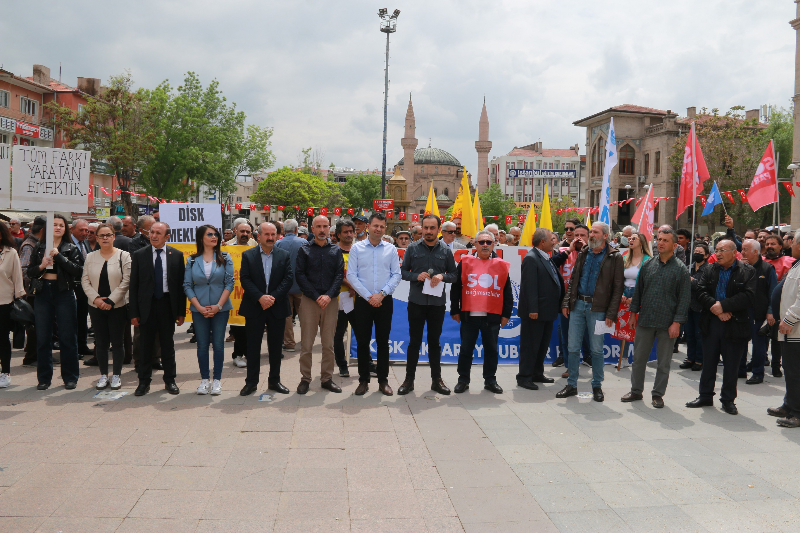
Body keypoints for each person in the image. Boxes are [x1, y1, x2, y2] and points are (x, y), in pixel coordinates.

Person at [686, 239, 756, 415]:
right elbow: (700, 290)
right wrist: (716, 309)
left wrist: (724, 306)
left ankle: (728, 399)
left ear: (734, 252)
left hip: (735, 323)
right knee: (709, 361)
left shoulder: (747, 271)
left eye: (722, 250)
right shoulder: (710, 269)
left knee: (731, 364)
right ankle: (705, 395)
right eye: (716, 250)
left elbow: (748, 296)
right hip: (711, 321)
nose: (718, 253)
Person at [622, 228, 690, 408]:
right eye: (659, 239)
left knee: (663, 363)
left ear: (675, 245)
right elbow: (638, 292)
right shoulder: (648, 264)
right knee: (638, 359)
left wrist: (677, 322)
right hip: (645, 320)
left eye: (665, 240)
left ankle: (658, 394)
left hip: (667, 324)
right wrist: (633, 313)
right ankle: (636, 391)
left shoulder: (681, 270)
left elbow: (684, 300)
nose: (660, 243)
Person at [558, 221, 624, 402]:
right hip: (578, 305)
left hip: (599, 309)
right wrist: (566, 302)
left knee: (596, 350)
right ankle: (571, 384)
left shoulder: (614, 256)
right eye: (591, 232)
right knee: (572, 347)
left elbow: (618, 288)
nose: (591, 235)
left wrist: (611, 313)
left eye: (595, 232)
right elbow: (573, 280)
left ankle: (597, 386)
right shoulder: (584, 253)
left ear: (605, 235)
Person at [398, 214, 457, 396]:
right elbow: (402, 272)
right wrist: (416, 276)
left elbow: (454, 275)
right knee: (414, 342)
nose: (429, 231)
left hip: (437, 304)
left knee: (434, 342)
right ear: (421, 228)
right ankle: (409, 380)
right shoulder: (412, 248)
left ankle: (436, 380)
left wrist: (442, 276)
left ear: (438, 229)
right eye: (426, 228)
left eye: (433, 228)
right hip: (416, 302)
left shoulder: (446, 250)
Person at [129, 222, 186, 396]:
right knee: (145, 346)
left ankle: (170, 380)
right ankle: (143, 382)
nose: (153, 236)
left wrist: (181, 312)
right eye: (152, 232)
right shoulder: (140, 255)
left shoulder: (176, 255)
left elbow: (180, 286)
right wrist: (134, 313)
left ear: (167, 236)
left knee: (167, 345)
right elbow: (134, 286)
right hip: (146, 306)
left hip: (167, 305)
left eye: (158, 233)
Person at [346, 212, 401, 396]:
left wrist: (382, 294)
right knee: (362, 342)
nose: (378, 229)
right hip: (363, 301)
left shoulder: (391, 249)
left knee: (383, 342)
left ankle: (383, 381)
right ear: (368, 226)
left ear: (385, 228)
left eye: (382, 226)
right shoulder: (357, 248)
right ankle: (363, 380)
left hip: (385, 301)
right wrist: (370, 296)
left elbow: (396, 275)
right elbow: (351, 275)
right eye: (375, 225)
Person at [451, 230, 512, 393]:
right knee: (465, 349)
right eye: (482, 242)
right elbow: (455, 288)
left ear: (493, 244)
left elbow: (507, 291)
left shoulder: (501, 265)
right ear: (475, 244)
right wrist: (454, 309)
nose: (485, 245)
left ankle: (490, 380)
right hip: (469, 316)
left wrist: (506, 314)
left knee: (491, 349)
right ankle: (463, 380)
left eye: (488, 242)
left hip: (491, 317)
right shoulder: (465, 262)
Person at [27, 215, 84, 390]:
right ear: (48, 228)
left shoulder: (71, 247)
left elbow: (78, 271)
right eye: (55, 225)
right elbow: (30, 272)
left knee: (68, 337)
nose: (58, 227)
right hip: (43, 292)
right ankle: (44, 378)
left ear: (66, 229)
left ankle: (70, 377)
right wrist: (42, 266)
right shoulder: (39, 247)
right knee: (43, 337)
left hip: (64, 293)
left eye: (61, 225)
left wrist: (59, 257)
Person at [239, 222, 293, 396]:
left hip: (277, 307)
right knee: (253, 347)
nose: (270, 238)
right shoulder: (248, 255)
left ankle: (274, 381)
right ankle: (251, 383)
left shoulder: (284, 255)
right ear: (259, 236)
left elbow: (288, 279)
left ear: (277, 235)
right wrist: (260, 297)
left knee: (276, 347)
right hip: (255, 306)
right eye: (267, 234)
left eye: (273, 234)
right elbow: (245, 279)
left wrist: (273, 298)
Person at [294, 215, 344, 394]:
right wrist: (316, 296)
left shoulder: (336, 250)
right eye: (318, 226)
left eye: (325, 226)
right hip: (309, 300)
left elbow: (339, 275)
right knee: (306, 344)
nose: (322, 230)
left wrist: (328, 296)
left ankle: (326, 378)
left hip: (330, 302)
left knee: (328, 344)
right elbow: (299, 275)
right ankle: (305, 378)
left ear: (329, 228)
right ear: (312, 229)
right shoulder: (304, 249)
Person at [184, 224, 234, 396]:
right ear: (201, 238)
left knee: (219, 345)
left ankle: (217, 380)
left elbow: (229, 283)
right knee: (202, 345)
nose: (214, 237)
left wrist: (218, 306)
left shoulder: (225, 257)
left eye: (216, 234)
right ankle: (205, 379)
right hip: (199, 310)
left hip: (220, 308)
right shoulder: (192, 260)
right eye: (210, 234)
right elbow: (187, 285)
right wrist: (198, 307)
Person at [81, 223, 132, 391]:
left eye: (108, 235)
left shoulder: (123, 256)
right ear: (96, 238)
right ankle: (103, 375)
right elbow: (85, 281)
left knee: (118, 342)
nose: (105, 238)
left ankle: (116, 375)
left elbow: (126, 281)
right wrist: (96, 300)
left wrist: (110, 301)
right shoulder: (90, 257)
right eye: (101, 235)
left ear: (113, 236)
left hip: (117, 306)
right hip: (96, 306)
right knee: (101, 342)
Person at [517, 228, 564, 390]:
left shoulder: (545, 257)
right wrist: (533, 309)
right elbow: (529, 287)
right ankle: (524, 376)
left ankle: (537, 373)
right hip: (535, 312)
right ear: (542, 242)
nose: (555, 241)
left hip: (547, 311)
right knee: (530, 345)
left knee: (542, 345)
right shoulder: (531, 258)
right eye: (552, 239)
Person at [771, 231, 800, 427]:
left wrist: (789, 320)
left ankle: (797, 412)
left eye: (794, 243)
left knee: (796, 372)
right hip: (790, 331)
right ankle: (789, 405)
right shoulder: (797, 264)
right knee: (789, 370)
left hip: (795, 329)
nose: (791, 245)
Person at [738, 239, 777, 385]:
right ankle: (740, 369)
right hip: (742, 311)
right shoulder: (740, 267)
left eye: (746, 249)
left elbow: (773, 292)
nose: (743, 252)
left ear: (756, 251)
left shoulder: (767, 268)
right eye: (742, 249)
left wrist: (770, 312)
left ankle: (757, 373)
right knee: (740, 341)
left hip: (759, 312)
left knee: (759, 344)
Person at [226, 219, 256, 369]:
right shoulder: (226, 248)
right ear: (235, 232)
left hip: (252, 294)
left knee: (251, 327)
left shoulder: (256, 246)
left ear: (251, 234)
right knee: (237, 327)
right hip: (233, 295)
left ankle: (249, 354)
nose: (244, 234)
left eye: (247, 232)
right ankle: (237, 355)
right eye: (242, 231)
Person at [275, 219, 306, 354]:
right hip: (301, 286)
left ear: (283, 231)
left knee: (287, 316)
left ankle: (289, 343)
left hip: (284, 287)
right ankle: (306, 341)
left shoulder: (277, 244)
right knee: (305, 316)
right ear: (296, 230)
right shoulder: (304, 243)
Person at [0, 221, 26, 388]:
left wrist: (19, 297)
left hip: (4, 300)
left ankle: (6, 372)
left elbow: (17, 277)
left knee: (2, 338)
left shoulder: (11, 253)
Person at [680, 243, 711, 371]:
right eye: (695, 251)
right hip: (688, 306)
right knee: (690, 334)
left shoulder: (709, 269)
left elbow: (706, 287)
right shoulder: (688, 268)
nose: (697, 253)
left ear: (706, 255)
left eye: (700, 252)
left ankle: (699, 359)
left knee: (699, 335)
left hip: (701, 307)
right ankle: (690, 358)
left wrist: (693, 281)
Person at [19, 216, 45, 367]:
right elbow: (23, 270)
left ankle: (37, 355)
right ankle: (31, 357)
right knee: (34, 326)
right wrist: (38, 272)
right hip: (32, 292)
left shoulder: (38, 243)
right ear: (42, 230)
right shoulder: (30, 245)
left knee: (41, 325)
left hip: (37, 291)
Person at [333, 220, 357, 377]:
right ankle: (342, 365)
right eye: (345, 232)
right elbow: (335, 273)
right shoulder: (333, 252)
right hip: (339, 299)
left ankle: (367, 363)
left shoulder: (359, 250)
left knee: (362, 333)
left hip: (358, 299)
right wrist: (351, 285)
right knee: (338, 334)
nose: (349, 234)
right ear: (338, 234)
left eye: (351, 231)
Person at [70, 218, 95, 359]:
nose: (85, 233)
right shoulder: (68, 244)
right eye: (81, 230)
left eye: (86, 230)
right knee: (72, 320)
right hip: (73, 287)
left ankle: (82, 345)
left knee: (82, 317)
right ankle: (74, 348)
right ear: (73, 229)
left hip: (85, 288)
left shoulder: (85, 243)